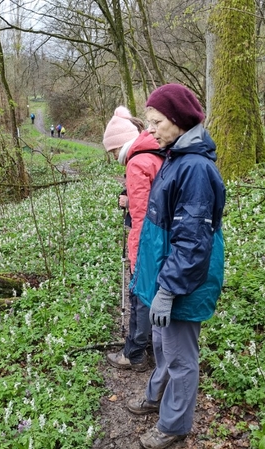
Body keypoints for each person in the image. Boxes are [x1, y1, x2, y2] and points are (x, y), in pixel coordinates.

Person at [127, 84, 226, 449]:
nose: (149, 129)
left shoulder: (195, 169)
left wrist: (168, 289)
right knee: (163, 344)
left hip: (184, 281)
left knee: (181, 356)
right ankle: (156, 397)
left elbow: (192, 242)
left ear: (178, 121)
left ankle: (174, 425)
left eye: (155, 122)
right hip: (166, 276)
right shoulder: (175, 157)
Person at [102, 106, 164, 372]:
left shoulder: (137, 162)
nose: (113, 156)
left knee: (139, 293)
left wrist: (136, 255)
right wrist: (130, 198)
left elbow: (140, 217)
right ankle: (147, 344)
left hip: (149, 241)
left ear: (120, 144)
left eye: (112, 151)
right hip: (164, 237)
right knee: (150, 293)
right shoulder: (154, 153)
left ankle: (135, 354)